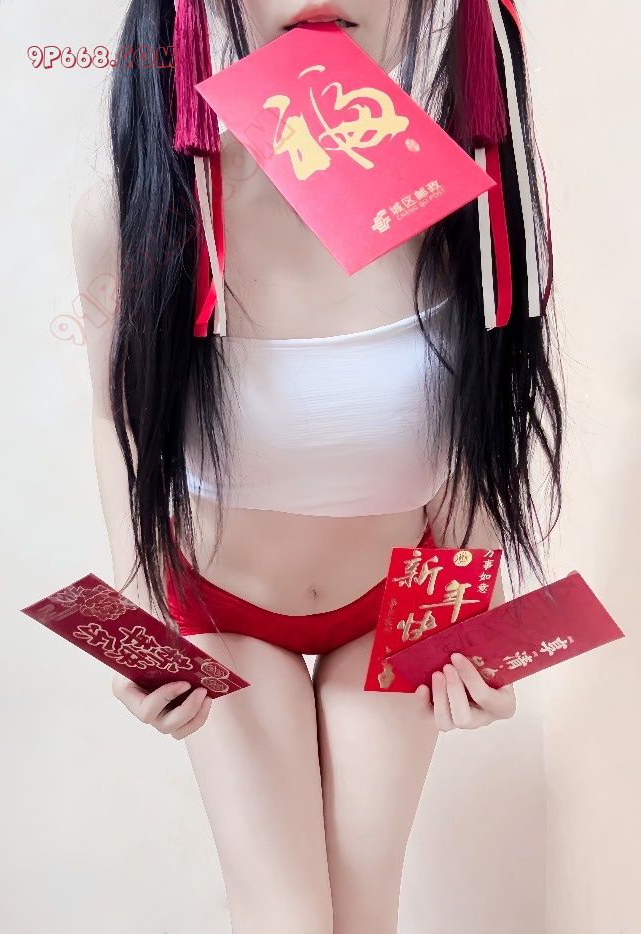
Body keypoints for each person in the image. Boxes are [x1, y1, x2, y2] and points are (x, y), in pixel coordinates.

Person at [71, 1, 563, 930]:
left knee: (366, 909)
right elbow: (115, 416)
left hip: (396, 605)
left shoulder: (472, 205)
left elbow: (474, 440)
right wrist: (139, 615)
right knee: (285, 916)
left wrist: (473, 631)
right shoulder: (137, 211)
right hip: (219, 604)